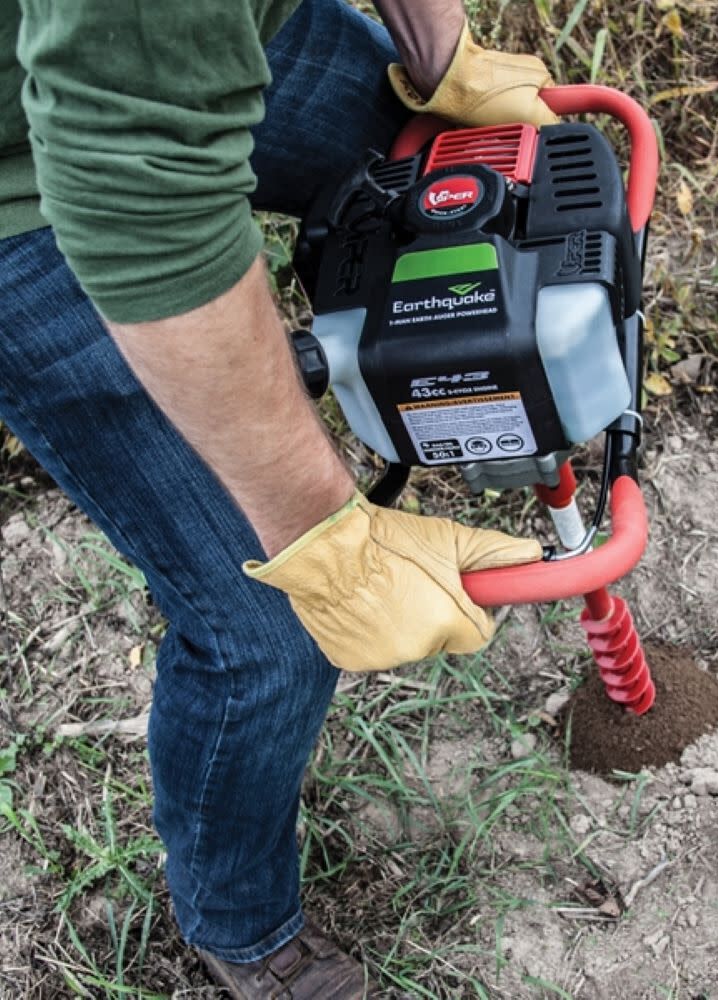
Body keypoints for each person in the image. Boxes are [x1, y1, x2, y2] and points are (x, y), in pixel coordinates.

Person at [0, 1, 556, 995]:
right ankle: (242, 928)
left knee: (499, 196)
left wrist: (441, 49)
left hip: (193, 43)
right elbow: (141, 212)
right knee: (271, 620)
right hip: (33, 184)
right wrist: (323, 533)